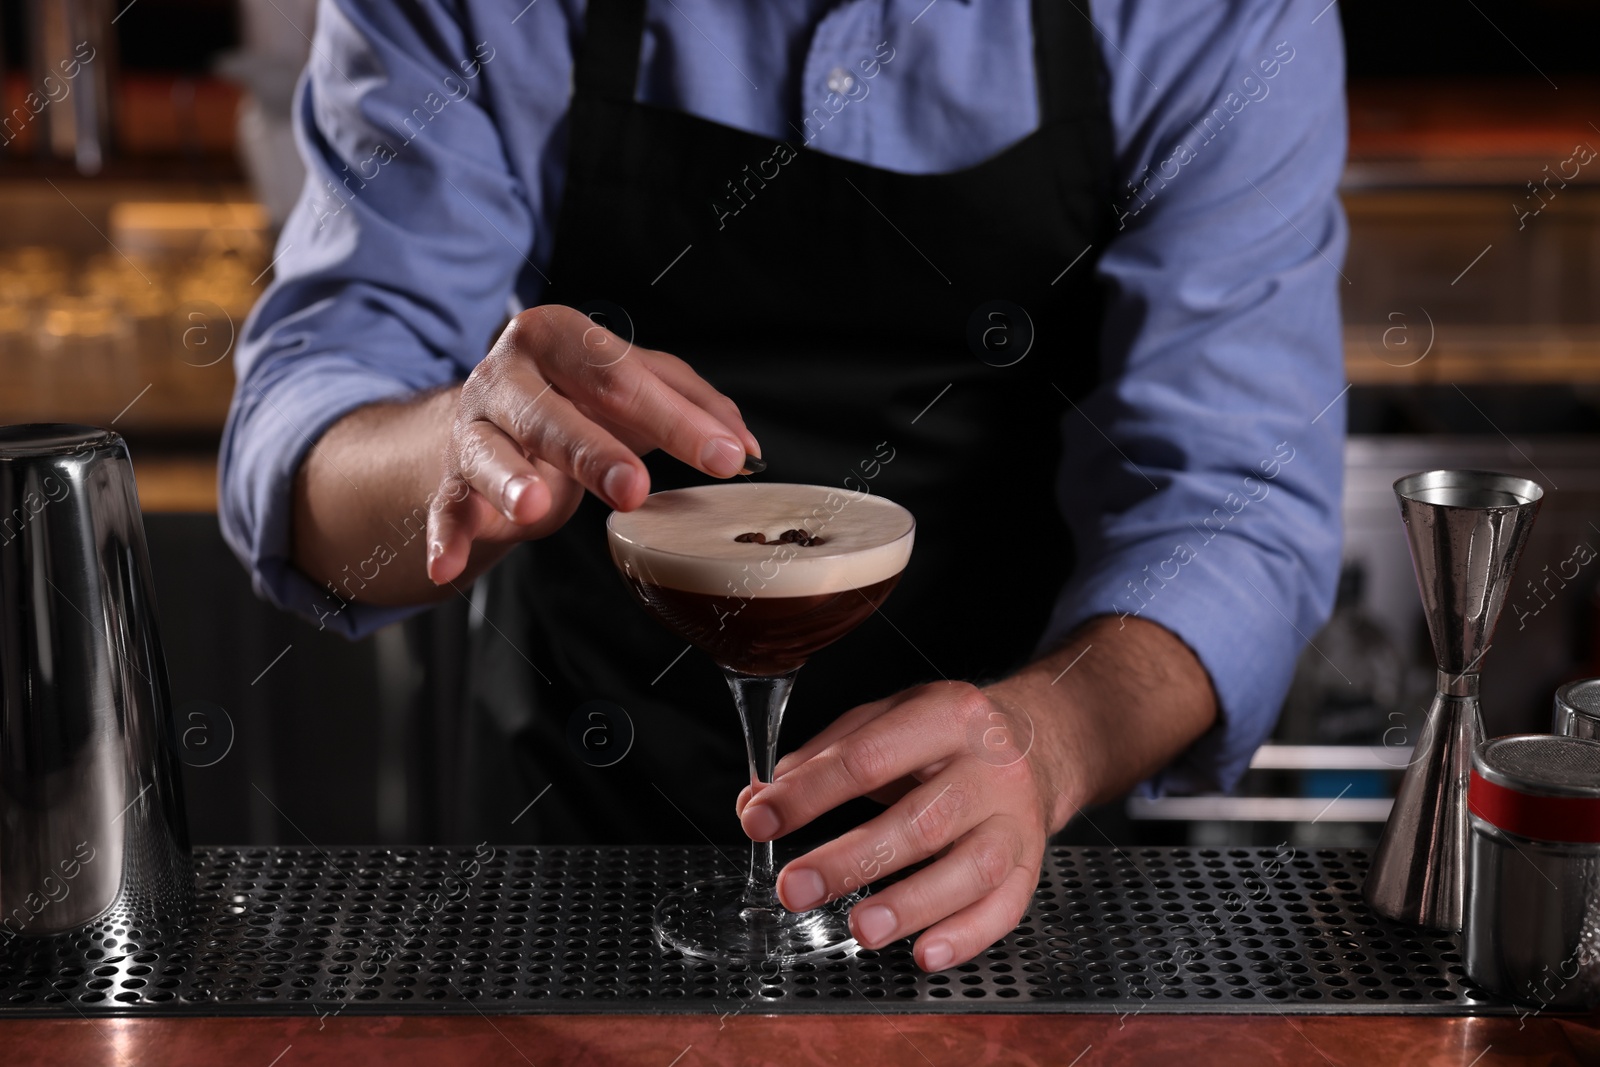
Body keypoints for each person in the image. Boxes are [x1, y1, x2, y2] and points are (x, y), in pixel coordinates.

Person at [220, 0, 1347, 973]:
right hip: (573, 861)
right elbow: (311, 440)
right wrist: (457, 442)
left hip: (1016, 880)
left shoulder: (1217, 19)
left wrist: (1049, 739)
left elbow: (1231, 506)